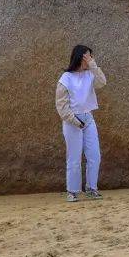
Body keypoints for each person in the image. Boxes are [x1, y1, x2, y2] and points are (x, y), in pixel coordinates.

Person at [55, 44, 107, 202]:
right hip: (72, 121)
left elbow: (102, 82)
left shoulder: (90, 75)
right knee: (74, 157)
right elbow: (61, 107)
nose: (90, 59)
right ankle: (72, 191)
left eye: (91, 57)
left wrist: (93, 65)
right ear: (79, 57)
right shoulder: (65, 79)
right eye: (87, 57)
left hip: (88, 118)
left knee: (94, 155)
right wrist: (75, 121)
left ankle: (92, 188)